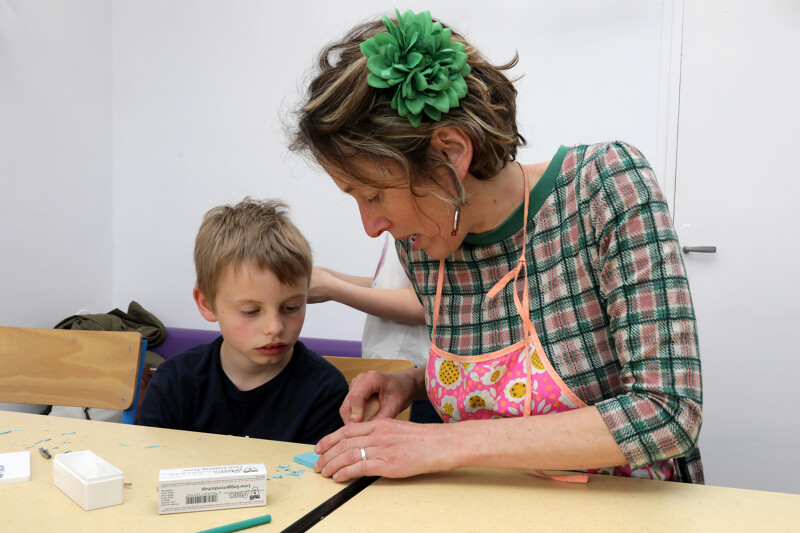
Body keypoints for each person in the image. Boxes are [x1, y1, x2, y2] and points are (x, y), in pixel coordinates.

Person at [290, 9, 703, 483]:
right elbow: (505, 376)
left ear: (450, 153)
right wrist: (411, 384)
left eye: (375, 194)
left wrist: (441, 443)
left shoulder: (601, 187)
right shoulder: (425, 247)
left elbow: (669, 413)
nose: (370, 225)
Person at [138, 198, 349, 445]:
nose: (275, 327)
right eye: (251, 311)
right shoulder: (173, 382)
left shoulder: (324, 390)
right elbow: (149, 468)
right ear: (206, 303)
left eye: (291, 307)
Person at [309, 234, 442, 423]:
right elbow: (390, 285)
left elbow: (424, 304)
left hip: (413, 375)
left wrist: (332, 287)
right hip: (389, 368)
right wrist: (329, 277)